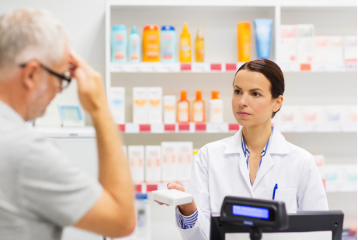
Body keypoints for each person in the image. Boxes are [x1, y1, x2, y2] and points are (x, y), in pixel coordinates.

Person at [0, 9, 135, 240]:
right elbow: (122, 221)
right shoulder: (25, 151)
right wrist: (99, 107)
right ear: (31, 74)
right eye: (62, 78)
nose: (59, 91)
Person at [157, 59, 328, 240]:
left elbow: (320, 232)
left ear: (277, 103)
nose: (242, 101)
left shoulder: (301, 162)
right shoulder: (209, 156)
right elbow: (199, 236)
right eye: (238, 91)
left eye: (255, 94)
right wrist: (189, 209)